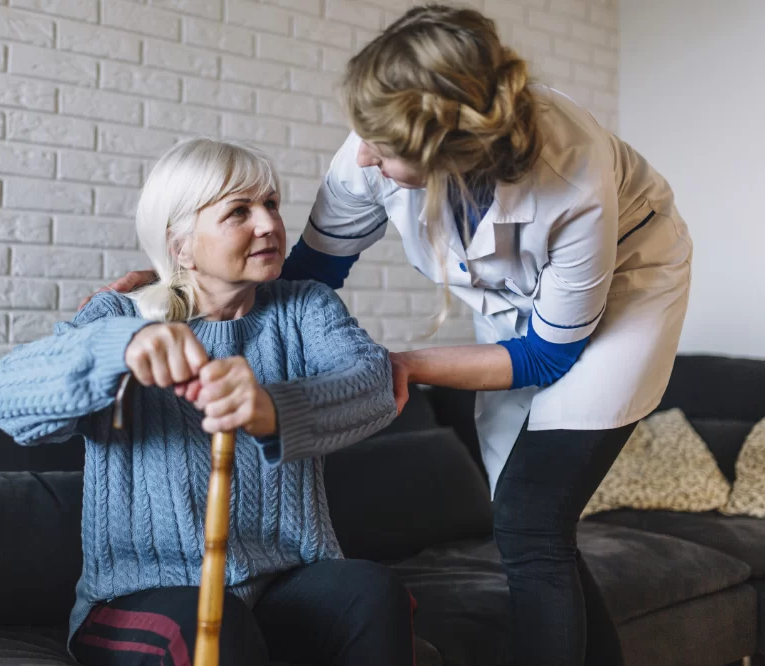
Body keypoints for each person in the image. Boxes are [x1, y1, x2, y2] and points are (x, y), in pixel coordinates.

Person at [96, 5, 693, 665]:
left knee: (529, 517)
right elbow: (309, 277)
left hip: (631, 285)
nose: (362, 156)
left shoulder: (573, 181)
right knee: (528, 524)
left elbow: (547, 356)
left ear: (445, 157)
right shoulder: (368, 150)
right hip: (518, 306)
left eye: (383, 150)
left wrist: (402, 361)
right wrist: (178, 281)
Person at [0, 138, 417, 666]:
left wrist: (273, 409)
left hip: (284, 583)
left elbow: (373, 384)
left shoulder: (304, 306)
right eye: (239, 211)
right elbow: (7, 399)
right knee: (205, 625)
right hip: (141, 596)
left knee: (370, 591)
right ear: (181, 245)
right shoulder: (120, 314)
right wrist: (119, 347)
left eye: (272, 205)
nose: (268, 225)